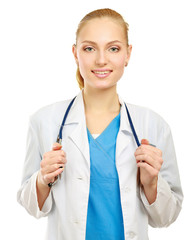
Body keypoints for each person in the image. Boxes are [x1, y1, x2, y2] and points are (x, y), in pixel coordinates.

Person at [17, 8, 183, 240]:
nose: (101, 59)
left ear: (128, 54)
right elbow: (30, 206)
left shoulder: (153, 125)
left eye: (113, 48)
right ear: (75, 54)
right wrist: (43, 179)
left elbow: (167, 217)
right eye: (89, 48)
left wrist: (151, 183)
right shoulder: (44, 121)